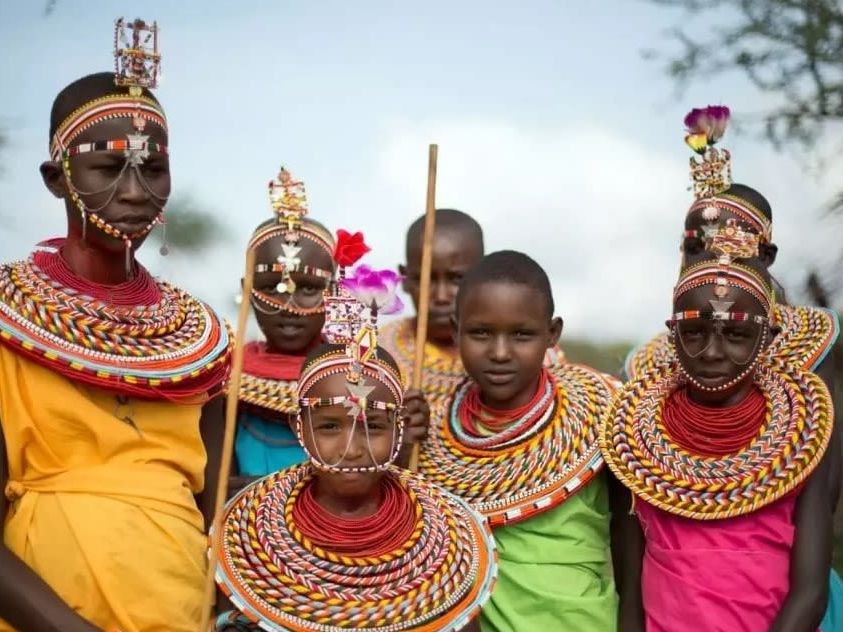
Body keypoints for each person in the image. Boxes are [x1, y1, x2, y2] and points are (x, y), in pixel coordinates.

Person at [0, 18, 231, 632]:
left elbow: (212, 509)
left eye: (152, 169)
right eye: (108, 168)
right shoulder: (5, 322)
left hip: (177, 607)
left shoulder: (199, 342)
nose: (135, 191)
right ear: (57, 180)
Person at [212, 233, 497, 632]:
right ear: (301, 428)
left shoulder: (448, 545)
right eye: (330, 425)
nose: (351, 447)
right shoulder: (247, 539)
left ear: (400, 430)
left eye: (374, 425)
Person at [602, 256, 839, 631]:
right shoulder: (634, 438)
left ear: (768, 338)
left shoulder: (803, 434)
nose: (712, 352)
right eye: (694, 332)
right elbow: (630, 595)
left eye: (736, 334)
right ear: (672, 335)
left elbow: (810, 592)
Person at [417, 250, 618, 631]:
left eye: (522, 334)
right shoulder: (434, 435)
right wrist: (405, 441)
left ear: (552, 333)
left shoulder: (599, 417)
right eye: (480, 333)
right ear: (456, 330)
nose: (500, 353)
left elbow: (629, 536)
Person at [624, 106, 838, 385]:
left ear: (765, 255)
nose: (710, 261)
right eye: (694, 249)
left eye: (729, 244)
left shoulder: (811, 351)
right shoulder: (648, 367)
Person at [381, 208, 564, 412]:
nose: (441, 296)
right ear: (404, 278)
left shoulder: (543, 358)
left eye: (457, 279)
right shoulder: (379, 358)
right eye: (426, 280)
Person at [229, 167, 335, 493]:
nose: (288, 306)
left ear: (335, 289)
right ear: (247, 288)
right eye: (271, 287)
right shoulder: (226, 379)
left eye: (308, 288)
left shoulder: (354, 376)